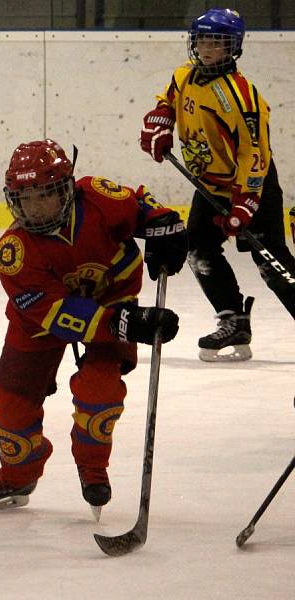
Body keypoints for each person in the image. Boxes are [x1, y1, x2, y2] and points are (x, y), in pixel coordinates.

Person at [0, 140, 185, 512]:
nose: (33, 208)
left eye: (43, 195)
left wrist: (163, 223)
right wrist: (129, 324)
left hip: (110, 299)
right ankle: (18, 476)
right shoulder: (12, 254)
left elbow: (140, 206)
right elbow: (57, 315)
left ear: (66, 187)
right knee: (12, 403)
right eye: (24, 198)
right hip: (41, 323)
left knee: (102, 392)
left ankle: (93, 468)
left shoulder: (98, 197)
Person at [140, 8, 295, 362]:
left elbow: (255, 153)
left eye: (218, 42)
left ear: (233, 48)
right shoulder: (184, 75)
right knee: (198, 249)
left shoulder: (242, 97)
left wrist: (245, 203)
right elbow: (168, 98)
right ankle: (232, 319)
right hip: (210, 185)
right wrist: (160, 119)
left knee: (271, 263)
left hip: (251, 187)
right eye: (203, 40)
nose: (208, 48)